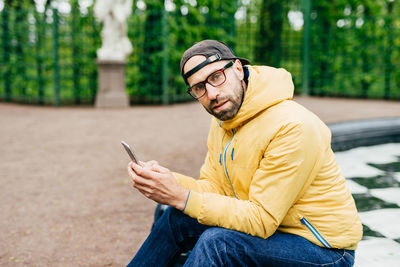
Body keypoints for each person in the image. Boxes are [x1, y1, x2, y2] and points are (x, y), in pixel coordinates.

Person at [126, 40, 362, 266]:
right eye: (199, 87)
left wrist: (180, 195)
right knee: (174, 218)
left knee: (217, 244)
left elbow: (261, 219)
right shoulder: (224, 119)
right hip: (274, 231)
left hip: (324, 249)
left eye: (216, 77)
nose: (211, 94)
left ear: (238, 68)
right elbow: (215, 189)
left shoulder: (293, 126)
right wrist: (167, 182)